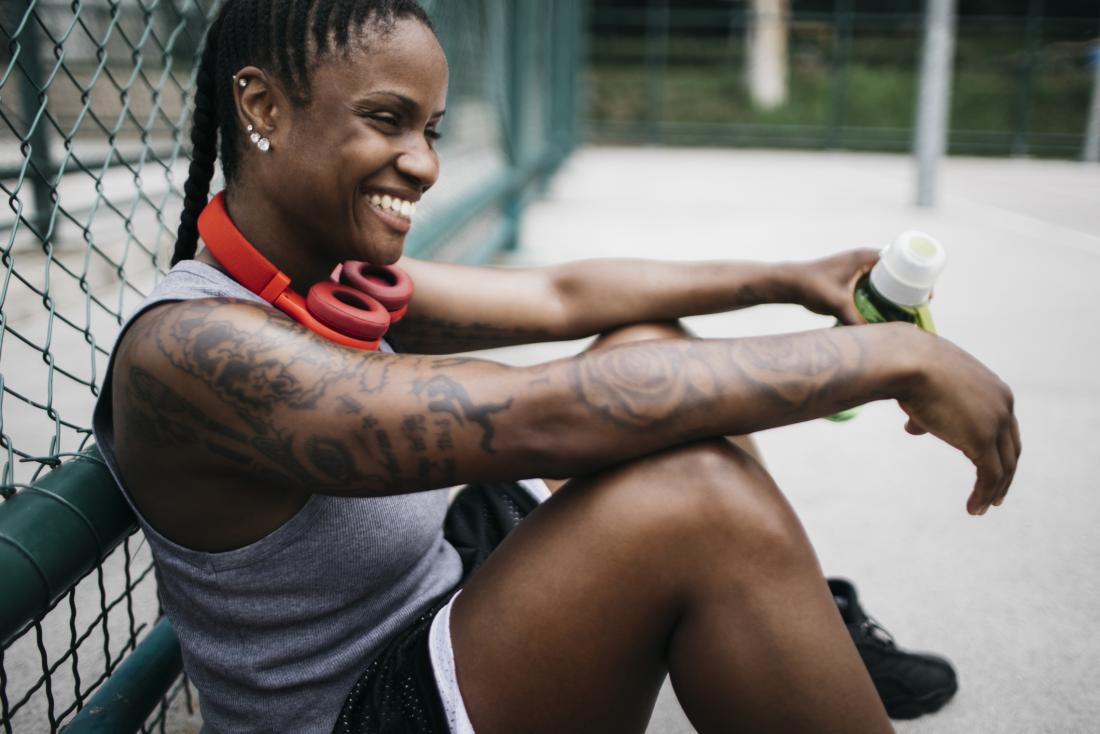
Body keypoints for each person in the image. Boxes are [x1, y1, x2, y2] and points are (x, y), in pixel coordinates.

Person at [91, 2, 1020, 732]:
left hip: (448, 599)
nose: (422, 164)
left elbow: (566, 297)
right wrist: (887, 354)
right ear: (261, 106)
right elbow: (541, 412)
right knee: (697, 496)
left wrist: (786, 277)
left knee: (648, 352)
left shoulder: (331, 279)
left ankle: (793, 625)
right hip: (354, 712)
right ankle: (780, 618)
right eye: (387, 121)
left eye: (433, 129)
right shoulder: (194, 351)